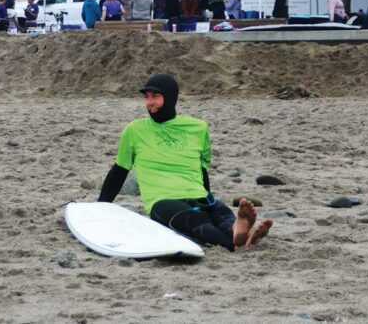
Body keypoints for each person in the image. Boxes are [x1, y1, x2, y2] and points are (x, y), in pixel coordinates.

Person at [98, 74, 272, 251]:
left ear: (171, 97)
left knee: (220, 213)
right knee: (197, 221)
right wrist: (101, 207)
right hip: (163, 200)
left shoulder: (198, 128)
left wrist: (206, 194)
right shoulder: (135, 130)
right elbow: (119, 171)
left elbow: (201, 170)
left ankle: (235, 228)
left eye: (155, 96)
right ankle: (236, 242)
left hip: (198, 194)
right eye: (146, 97)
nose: (149, 103)